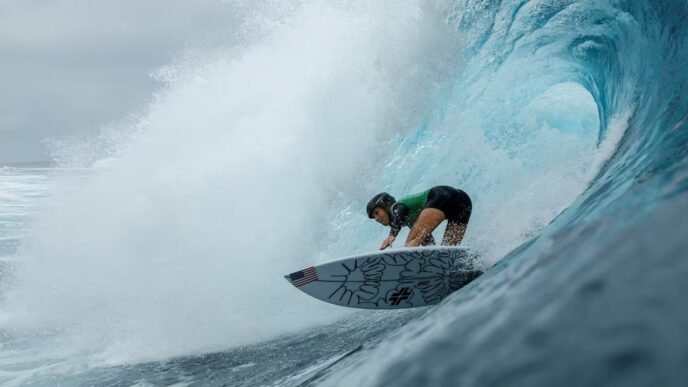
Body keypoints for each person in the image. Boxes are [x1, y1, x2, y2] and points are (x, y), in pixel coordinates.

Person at [366, 185, 472, 250]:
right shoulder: (413, 221)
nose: (376, 218)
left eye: (376, 212)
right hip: (462, 201)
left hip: (442, 196)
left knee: (409, 245)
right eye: (373, 217)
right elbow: (428, 243)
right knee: (448, 251)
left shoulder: (396, 207)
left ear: (387, 203)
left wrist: (392, 235)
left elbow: (401, 211)